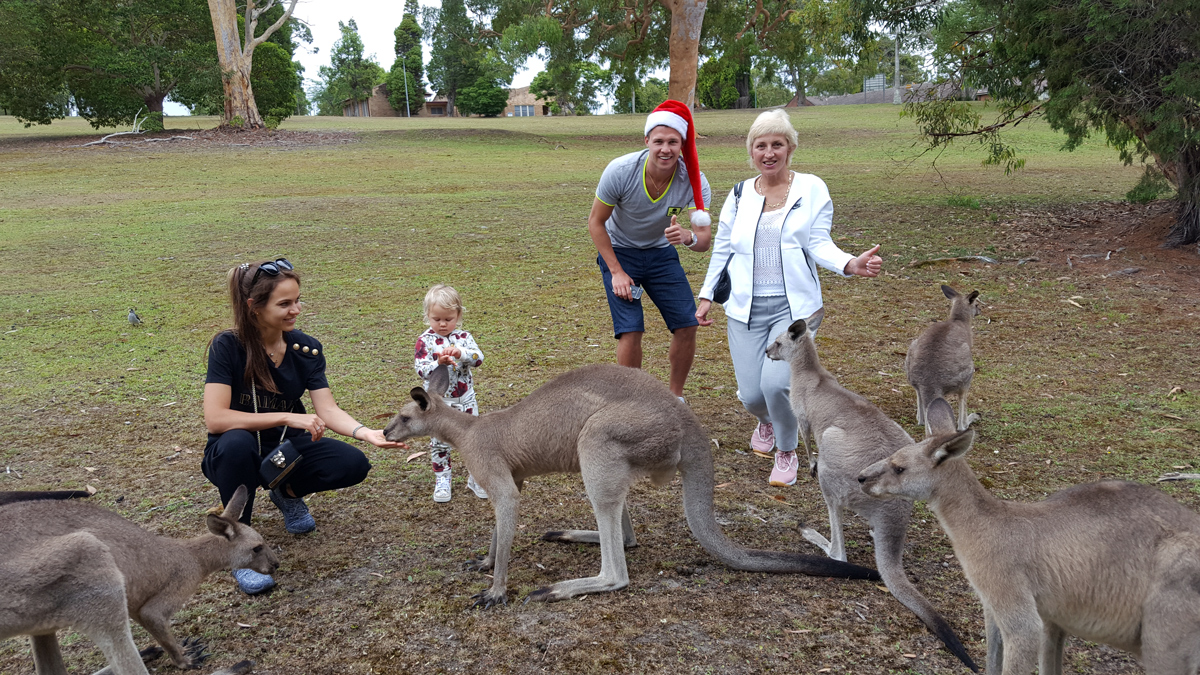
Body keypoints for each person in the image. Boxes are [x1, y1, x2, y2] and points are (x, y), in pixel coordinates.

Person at [696, 109, 883, 487]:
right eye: (760, 146)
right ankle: (766, 421)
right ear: (751, 152)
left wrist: (849, 264)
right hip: (745, 308)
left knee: (776, 385)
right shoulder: (738, 193)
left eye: (776, 144)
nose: (769, 153)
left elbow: (818, 242)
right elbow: (723, 248)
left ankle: (786, 450)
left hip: (793, 310)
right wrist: (705, 296)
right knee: (751, 394)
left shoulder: (811, 188)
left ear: (790, 148)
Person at [202, 258, 403, 595]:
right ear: (254, 307)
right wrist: (286, 416)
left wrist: (365, 432)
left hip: (285, 449)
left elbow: (328, 408)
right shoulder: (228, 346)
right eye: (285, 304)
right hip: (234, 451)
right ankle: (239, 545)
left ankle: (286, 492)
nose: (296, 309)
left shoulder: (305, 349)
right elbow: (216, 418)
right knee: (237, 444)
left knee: (351, 464)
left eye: (297, 300)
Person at [588, 99, 714, 400]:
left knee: (687, 324)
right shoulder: (621, 171)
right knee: (631, 329)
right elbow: (595, 223)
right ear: (647, 141)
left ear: (682, 143)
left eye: (673, 141)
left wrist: (686, 237)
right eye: (658, 141)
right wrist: (616, 272)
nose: (665, 149)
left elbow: (704, 242)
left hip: (660, 254)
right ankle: (632, 403)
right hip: (620, 251)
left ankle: (675, 399)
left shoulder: (694, 182)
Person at [413, 284, 487, 503]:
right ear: (427, 316)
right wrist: (438, 362)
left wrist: (461, 353)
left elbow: (478, 358)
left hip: (466, 400)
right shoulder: (424, 341)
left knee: (473, 439)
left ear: (458, 315)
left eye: (448, 318)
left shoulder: (464, 337)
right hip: (438, 404)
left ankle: (477, 477)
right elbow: (421, 370)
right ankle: (442, 479)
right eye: (436, 319)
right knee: (440, 442)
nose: (443, 324)